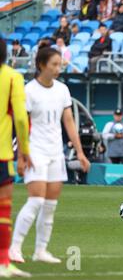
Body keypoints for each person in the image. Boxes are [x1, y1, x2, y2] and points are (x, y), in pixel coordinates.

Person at [9, 47, 91, 264]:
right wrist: (21, 155)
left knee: (50, 205)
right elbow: (21, 125)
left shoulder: (62, 90)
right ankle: (14, 247)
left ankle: (40, 251)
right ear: (41, 65)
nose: (58, 68)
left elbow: (69, 122)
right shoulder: (29, 91)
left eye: (59, 64)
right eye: (54, 64)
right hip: (35, 151)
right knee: (35, 200)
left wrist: (80, 152)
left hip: (56, 151)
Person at [0, 39, 32, 278]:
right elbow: (21, 118)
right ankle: (3, 262)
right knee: (3, 210)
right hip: (2, 154)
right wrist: (25, 151)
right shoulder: (12, 77)